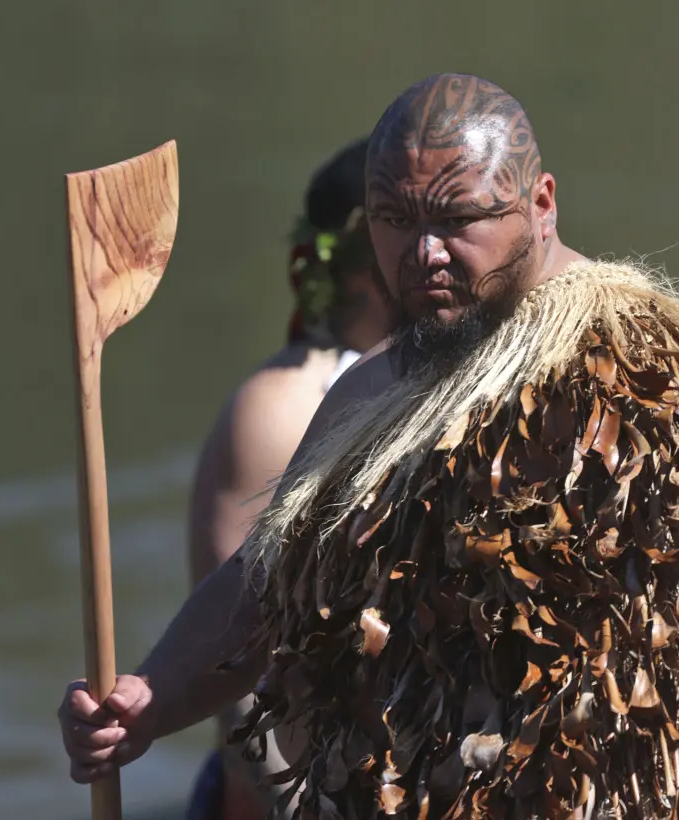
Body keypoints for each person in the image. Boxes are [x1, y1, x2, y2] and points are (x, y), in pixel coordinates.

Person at [59, 73, 679, 818]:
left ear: (541, 204)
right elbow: (270, 585)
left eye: (458, 219)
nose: (425, 254)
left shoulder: (651, 372)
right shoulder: (374, 392)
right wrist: (149, 697)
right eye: (396, 222)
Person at [182, 137, 397, 820]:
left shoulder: (437, 382)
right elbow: (238, 672)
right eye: (412, 226)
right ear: (363, 266)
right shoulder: (281, 408)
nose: (440, 250)